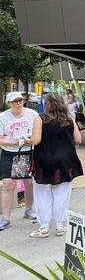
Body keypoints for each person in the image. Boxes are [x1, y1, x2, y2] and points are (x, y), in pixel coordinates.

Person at [28, 93, 83, 238]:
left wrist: (26, 140)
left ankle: (44, 228)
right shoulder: (69, 119)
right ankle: (60, 226)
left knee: (42, 195)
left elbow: (36, 140)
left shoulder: (40, 119)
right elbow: (78, 139)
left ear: (46, 105)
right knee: (62, 195)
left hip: (44, 161)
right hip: (66, 161)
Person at [0, 92, 39, 231]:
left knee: (29, 182)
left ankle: (29, 209)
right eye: (14, 101)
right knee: (8, 184)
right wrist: (16, 142)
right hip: (9, 153)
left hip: (27, 152)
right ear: (9, 103)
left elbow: (38, 133)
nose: (18, 103)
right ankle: (5, 218)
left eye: (20, 100)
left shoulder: (32, 114)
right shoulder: (3, 117)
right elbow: (0, 139)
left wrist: (29, 140)